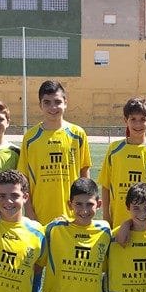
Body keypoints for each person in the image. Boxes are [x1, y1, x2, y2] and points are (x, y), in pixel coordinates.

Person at [17, 80, 92, 224]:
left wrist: (84, 208)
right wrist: (30, 212)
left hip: (72, 215)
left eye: (57, 102)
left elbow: (84, 173)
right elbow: (23, 178)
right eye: (47, 102)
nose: (53, 107)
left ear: (65, 103)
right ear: (40, 105)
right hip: (39, 215)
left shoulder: (78, 134)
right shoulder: (30, 138)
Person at [98, 97, 146, 227]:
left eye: (143, 120)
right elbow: (106, 185)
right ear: (126, 120)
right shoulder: (114, 149)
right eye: (133, 119)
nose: (138, 125)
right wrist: (106, 216)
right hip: (119, 220)